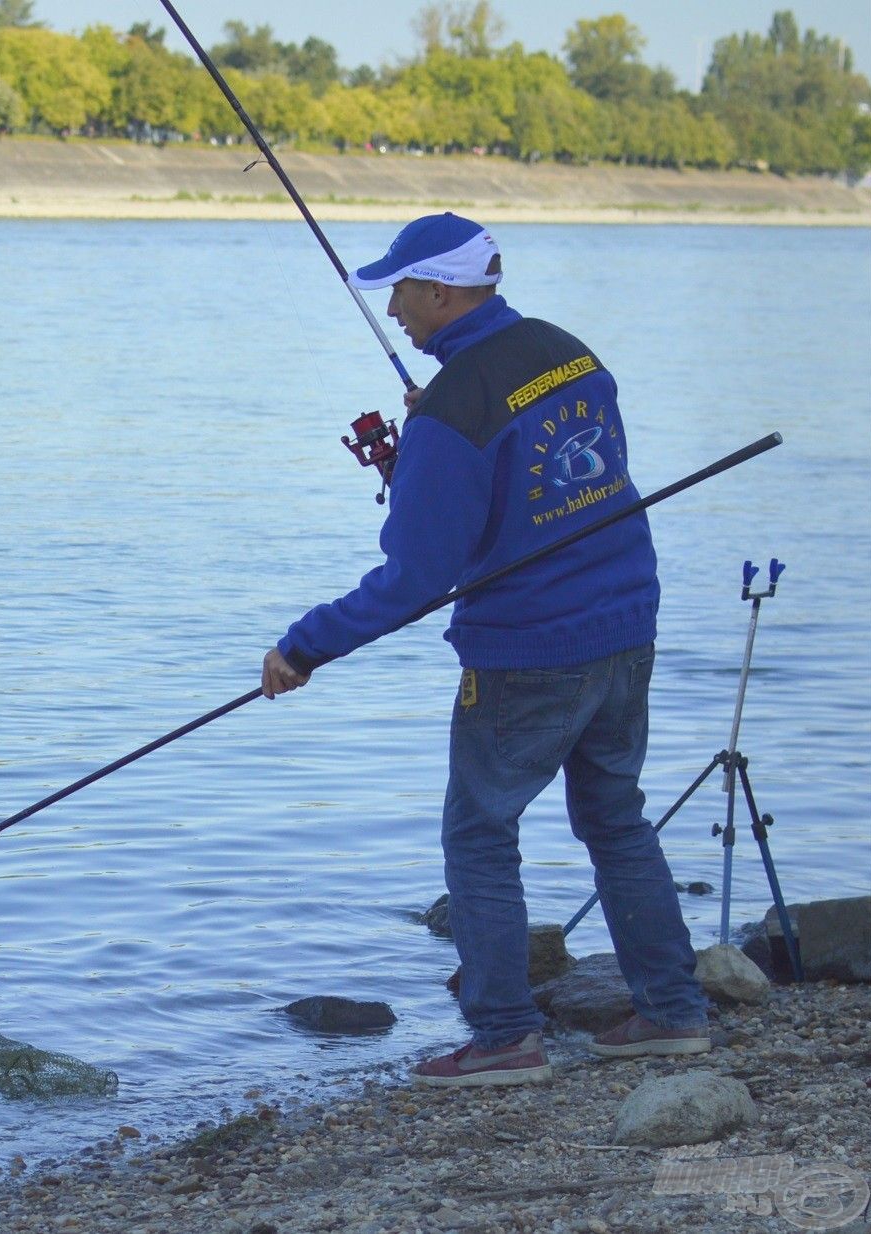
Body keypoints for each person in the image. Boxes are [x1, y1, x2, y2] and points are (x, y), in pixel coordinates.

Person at [259, 213, 710, 1088]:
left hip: (528, 651)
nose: (392, 311)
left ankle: (504, 1037)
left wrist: (303, 648)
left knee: (478, 834)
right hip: (627, 625)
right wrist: (428, 457)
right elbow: (552, 485)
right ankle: (673, 1014)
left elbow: (414, 580)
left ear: (439, 290)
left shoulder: (452, 413)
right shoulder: (566, 350)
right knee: (616, 823)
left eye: (400, 292)